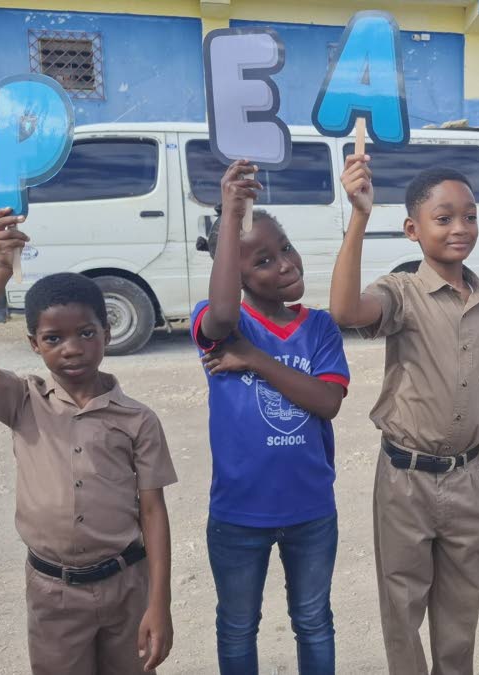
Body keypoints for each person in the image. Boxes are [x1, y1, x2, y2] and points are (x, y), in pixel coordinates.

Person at [0, 210, 176, 675]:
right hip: (54, 591)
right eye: (54, 338)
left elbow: (153, 511)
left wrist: (159, 604)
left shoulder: (137, 420)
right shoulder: (20, 399)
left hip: (127, 585)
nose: (72, 348)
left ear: (107, 334)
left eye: (87, 333)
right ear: (34, 344)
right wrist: (1, 270)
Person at [330, 158, 479, 675]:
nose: (460, 227)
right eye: (444, 217)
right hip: (405, 480)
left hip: (467, 479)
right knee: (402, 607)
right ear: (413, 229)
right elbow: (346, 311)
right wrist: (360, 216)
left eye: (470, 216)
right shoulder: (401, 293)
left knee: (461, 613)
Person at [192, 161, 350, 673]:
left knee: (313, 620)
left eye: (284, 248)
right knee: (237, 626)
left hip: (310, 509)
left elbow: (327, 402)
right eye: (262, 260)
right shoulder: (219, 324)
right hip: (239, 514)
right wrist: (232, 213)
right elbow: (221, 314)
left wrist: (257, 359)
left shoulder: (320, 327)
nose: (284, 263)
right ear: (233, 274)